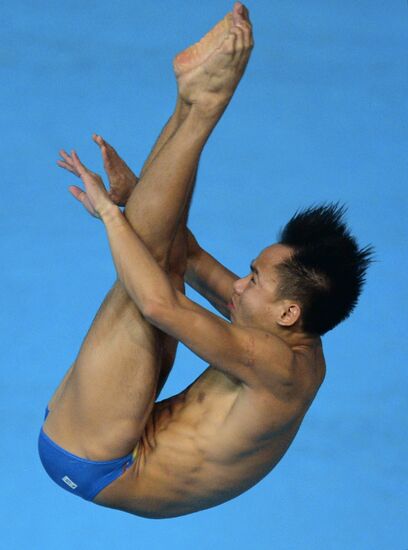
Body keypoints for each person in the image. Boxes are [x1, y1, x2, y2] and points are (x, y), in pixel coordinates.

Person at [38, 2, 373, 519]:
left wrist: (109, 213)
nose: (238, 286)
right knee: (165, 250)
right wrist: (138, 195)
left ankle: (203, 101)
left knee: (151, 264)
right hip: (115, 427)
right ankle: (191, 101)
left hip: (97, 459)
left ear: (288, 311)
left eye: (255, 279)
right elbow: (188, 253)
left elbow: (157, 304)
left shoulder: (277, 365)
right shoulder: (292, 329)